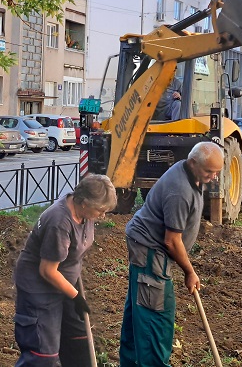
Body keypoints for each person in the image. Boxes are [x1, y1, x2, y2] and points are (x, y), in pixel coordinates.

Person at [119, 141, 224, 367]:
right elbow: (172, 241)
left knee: (139, 309)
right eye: (209, 171)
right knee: (155, 316)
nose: (214, 176)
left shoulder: (191, 172)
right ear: (193, 162)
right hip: (150, 249)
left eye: (217, 171)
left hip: (148, 245)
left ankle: (131, 362)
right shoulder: (180, 190)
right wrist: (190, 272)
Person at [13, 174, 117, 366]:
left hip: (65, 284)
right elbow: (47, 270)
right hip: (39, 289)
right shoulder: (59, 222)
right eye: (101, 210)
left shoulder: (84, 213)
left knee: (79, 344)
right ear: (84, 203)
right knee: (43, 355)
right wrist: (76, 296)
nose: (103, 216)